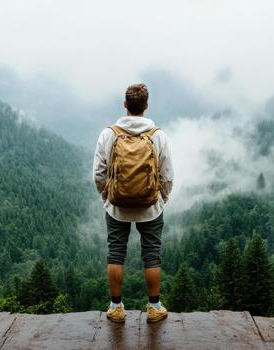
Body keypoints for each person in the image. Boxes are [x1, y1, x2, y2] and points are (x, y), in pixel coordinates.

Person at [92, 83, 174, 323]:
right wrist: (162, 199)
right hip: (150, 207)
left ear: (125, 104)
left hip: (117, 206)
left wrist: (106, 196)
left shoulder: (109, 134)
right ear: (146, 106)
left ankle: (116, 308)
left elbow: (99, 173)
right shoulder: (158, 136)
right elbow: (167, 175)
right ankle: (154, 307)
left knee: (116, 253)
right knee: (151, 255)